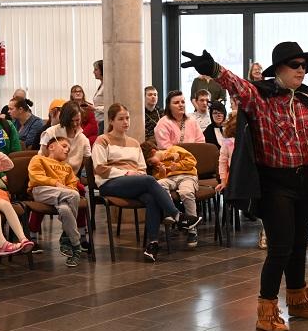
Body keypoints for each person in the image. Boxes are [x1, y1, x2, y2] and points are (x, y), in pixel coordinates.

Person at [182, 41, 308, 331]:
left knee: (298, 244)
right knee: (280, 247)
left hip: (304, 179)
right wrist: (213, 69)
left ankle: (298, 300)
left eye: (304, 66)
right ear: (278, 69)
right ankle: (266, 311)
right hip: (274, 182)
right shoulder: (260, 97)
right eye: (295, 65)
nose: (302, 70)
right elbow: (237, 85)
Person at [92, 103, 201, 262]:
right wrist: (126, 173)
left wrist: (136, 175)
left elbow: (142, 168)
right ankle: (177, 215)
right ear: (111, 121)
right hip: (110, 183)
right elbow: (100, 168)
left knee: (151, 198)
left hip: (133, 182)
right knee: (150, 180)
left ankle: (152, 244)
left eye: (127, 118)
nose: (125, 122)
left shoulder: (134, 143)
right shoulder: (102, 140)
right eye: (121, 119)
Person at [35, 101, 92, 253]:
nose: (75, 124)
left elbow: (87, 161)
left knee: (81, 191)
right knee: (41, 197)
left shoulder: (83, 139)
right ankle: (33, 235)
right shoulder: (51, 133)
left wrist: (80, 177)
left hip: (69, 178)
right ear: (65, 119)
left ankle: (80, 234)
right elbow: (41, 157)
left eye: (78, 120)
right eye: (72, 120)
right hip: (49, 176)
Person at [215, 112, 267, 249]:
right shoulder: (227, 143)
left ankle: (266, 231)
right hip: (235, 178)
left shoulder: (253, 141)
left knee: (264, 196)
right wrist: (223, 181)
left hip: (251, 176)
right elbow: (222, 162)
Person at [28, 136, 83, 266]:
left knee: (65, 209)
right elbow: (36, 177)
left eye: (68, 148)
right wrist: (56, 183)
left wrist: (66, 189)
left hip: (62, 195)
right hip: (42, 191)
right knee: (73, 195)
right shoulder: (38, 159)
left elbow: (72, 184)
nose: (67, 150)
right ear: (51, 147)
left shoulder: (67, 167)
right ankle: (68, 239)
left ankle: (75, 245)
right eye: (64, 146)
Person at [141, 140, 200, 248]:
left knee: (186, 193)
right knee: (159, 184)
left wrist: (177, 166)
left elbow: (192, 161)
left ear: (154, 151)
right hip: (170, 179)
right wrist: (162, 173)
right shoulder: (155, 167)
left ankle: (192, 229)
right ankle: (170, 212)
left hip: (187, 176)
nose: (151, 164)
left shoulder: (175, 149)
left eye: (150, 161)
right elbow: (159, 179)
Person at [92, 60, 105, 134]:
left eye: (96, 69)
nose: (93, 72)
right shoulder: (101, 85)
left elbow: (109, 106)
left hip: (104, 121)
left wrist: (94, 108)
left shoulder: (107, 86)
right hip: (100, 121)